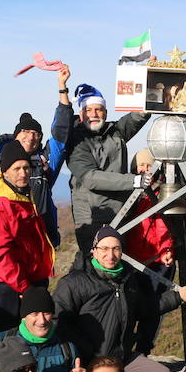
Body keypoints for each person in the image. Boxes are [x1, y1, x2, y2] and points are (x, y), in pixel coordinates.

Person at [52, 225, 186, 372]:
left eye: (116, 249)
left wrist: (178, 296)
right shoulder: (75, 282)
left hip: (120, 358)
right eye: (104, 248)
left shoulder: (127, 280)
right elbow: (58, 322)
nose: (110, 255)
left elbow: (146, 307)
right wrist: (83, 352)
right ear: (94, 251)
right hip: (88, 360)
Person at [0, 64, 75, 247]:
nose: (30, 136)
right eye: (25, 131)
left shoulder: (44, 162)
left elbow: (61, 130)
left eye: (36, 134)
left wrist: (62, 87)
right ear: (16, 135)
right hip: (8, 243)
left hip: (40, 242)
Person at [0, 139, 56, 335]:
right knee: (6, 338)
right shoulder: (0, 204)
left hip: (23, 281)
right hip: (8, 286)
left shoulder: (19, 195)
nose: (23, 173)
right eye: (17, 168)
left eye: (26, 167)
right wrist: (25, 287)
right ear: (4, 172)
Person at [65, 82, 148, 254]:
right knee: (95, 264)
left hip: (121, 212)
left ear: (105, 112)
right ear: (80, 114)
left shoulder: (115, 131)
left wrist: (148, 80)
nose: (93, 114)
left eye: (98, 110)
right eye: (88, 110)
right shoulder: (76, 141)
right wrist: (134, 181)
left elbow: (139, 115)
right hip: (92, 216)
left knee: (118, 264)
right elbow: (90, 178)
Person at [0, 285, 85, 372]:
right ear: (24, 316)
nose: (42, 320)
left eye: (46, 313)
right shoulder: (2, 342)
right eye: (35, 313)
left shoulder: (67, 347)